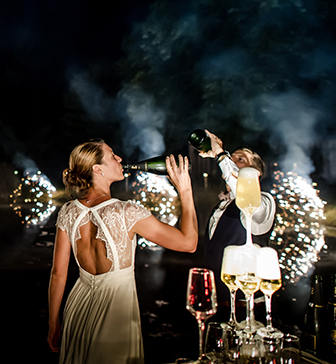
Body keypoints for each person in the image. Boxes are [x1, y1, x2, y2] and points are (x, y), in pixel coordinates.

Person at [47, 140, 198, 364]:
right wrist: (184, 190)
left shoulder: (67, 211)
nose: (119, 159)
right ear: (97, 169)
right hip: (115, 312)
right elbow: (189, 243)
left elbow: (58, 274)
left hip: (77, 308)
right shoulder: (127, 211)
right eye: (112, 156)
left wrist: (53, 324)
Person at [198, 130, 276, 309]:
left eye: (240, 159)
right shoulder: (222, 205)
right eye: (230, 159)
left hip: (246, 306)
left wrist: (220, 155)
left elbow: (245, 193)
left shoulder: (263, 202)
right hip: (217, 302)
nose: (231, 163)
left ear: (255, 172)